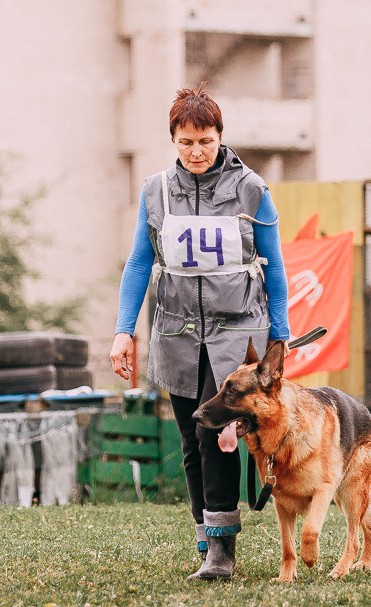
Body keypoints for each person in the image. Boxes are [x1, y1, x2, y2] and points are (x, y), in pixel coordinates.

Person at [110, 84, 290, 581]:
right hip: (177, 333)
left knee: (220, 437)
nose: (196, 152)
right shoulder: (155, 191)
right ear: (173, 139)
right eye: (186, 142)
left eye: (205, 141)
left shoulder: (252, 189)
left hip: (239, 336)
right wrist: (124, 331)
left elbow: (274, 268)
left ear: (220, 137)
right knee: (192, 439)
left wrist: (282, 336)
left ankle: (222, 554)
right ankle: (205, 536)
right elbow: (138, 264)